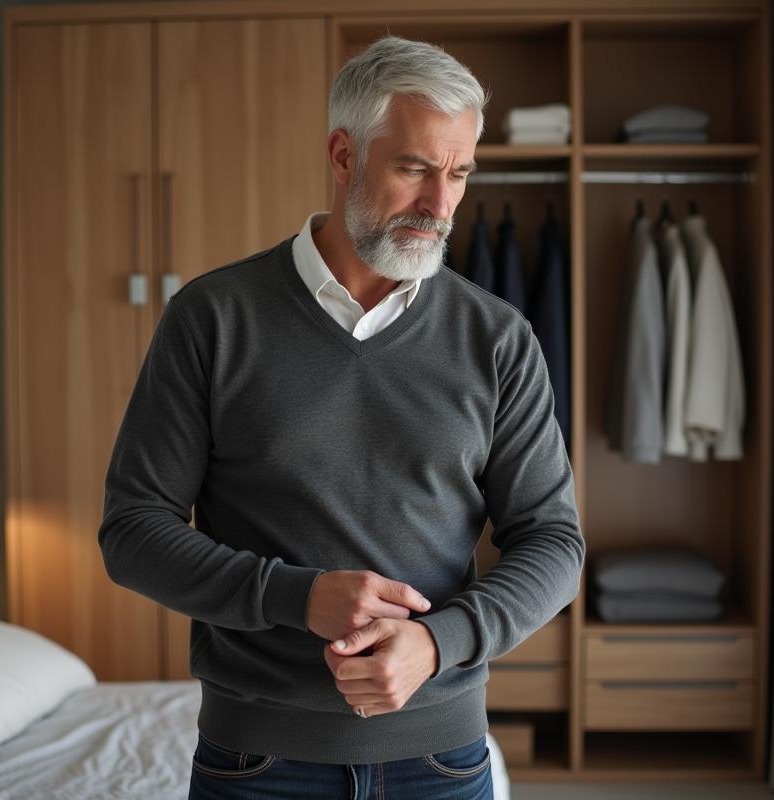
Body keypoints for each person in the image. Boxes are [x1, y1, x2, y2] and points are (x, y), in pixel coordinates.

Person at [99, 36, 584, 800]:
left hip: (442, 762)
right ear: (343, 154)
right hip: (254, 765)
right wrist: (295, 596)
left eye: (459, 174)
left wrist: (438, 642)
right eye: (415, 168)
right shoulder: (213, 318)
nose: (441, 206)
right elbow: (132, 532)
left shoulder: (497, 338)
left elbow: (555, 542)